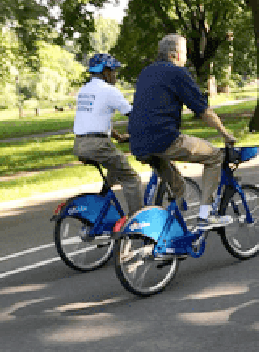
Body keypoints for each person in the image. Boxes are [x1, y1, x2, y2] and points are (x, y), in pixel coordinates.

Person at [128, 34, 237, 230]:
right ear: (175, 55)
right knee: (214, 156)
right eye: (184, 53)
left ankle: (171, 233)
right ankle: (206, 216)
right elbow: (203, 110)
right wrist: (224, 132)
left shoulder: (146, 72)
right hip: (164, 138)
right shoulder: (177, 73)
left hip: (138, 142)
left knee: (178, 187)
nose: (186, 58)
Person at [73, 53, 143, 215]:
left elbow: (94, 119)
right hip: (98, 145)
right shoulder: (109, 91)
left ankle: (100, 206)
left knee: (115, 169)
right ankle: (138, 222)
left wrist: (118, 137)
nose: (115, 75)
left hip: (80, 144)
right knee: (132, 179)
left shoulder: (84, 90)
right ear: (105, 72)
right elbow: (133, 115)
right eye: (113, 71)